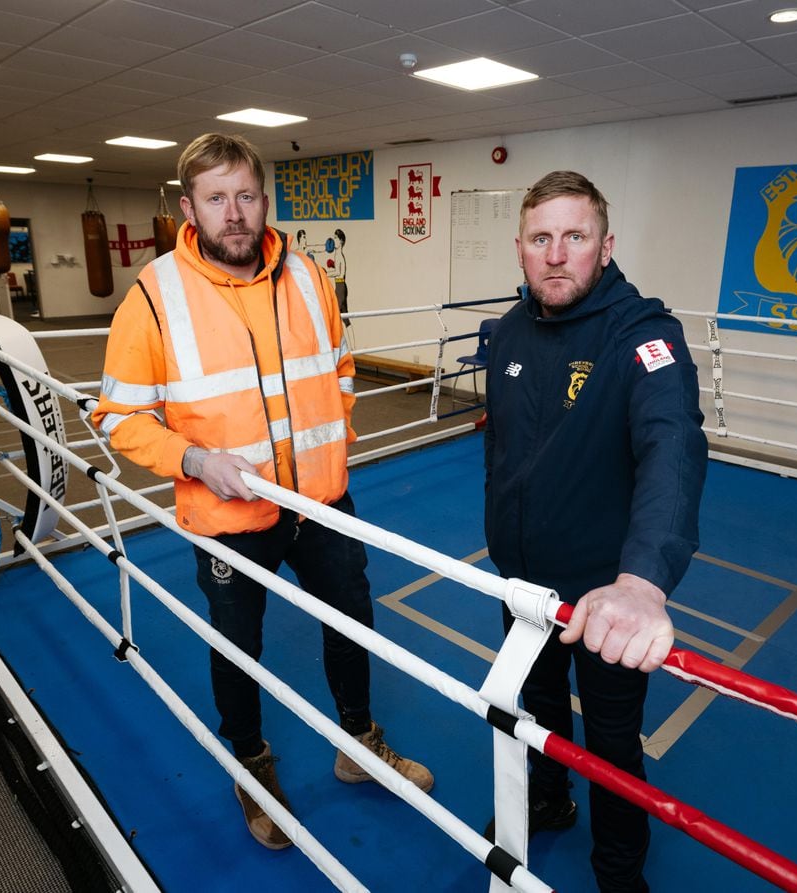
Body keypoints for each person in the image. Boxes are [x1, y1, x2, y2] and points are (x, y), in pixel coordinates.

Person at [91, 133, 432, 850]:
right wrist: (189, 457)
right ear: (190, 208)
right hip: (227, 517)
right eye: (217, 199)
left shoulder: (308, 275)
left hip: (323, 502)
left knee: (352, 618)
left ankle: (358, 743)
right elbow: (117, 417)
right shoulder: (154, 297)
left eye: (246, 196)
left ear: (264, 200)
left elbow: (340, 366)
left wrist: (332, 438)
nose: (235, 213)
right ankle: (250, 764)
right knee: (238, 645)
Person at [482, 171, 707, 892]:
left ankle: (619, 870)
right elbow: (506, 450)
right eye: (541, 239)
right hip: (521, 586)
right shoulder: (511, 330)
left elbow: (673, 449)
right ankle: (548, 795)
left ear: (604, 246)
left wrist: (641, 581)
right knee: (539, 707)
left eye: (574, 237)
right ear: (519, 248)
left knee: (611, 742)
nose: (556, 254)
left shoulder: (643, 336)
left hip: (604, 598)